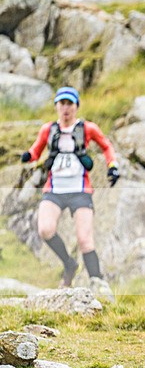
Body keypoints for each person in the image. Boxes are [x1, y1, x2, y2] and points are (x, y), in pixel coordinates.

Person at [21, 86, 120, 300]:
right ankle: (69, 264)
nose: (65, 108)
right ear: (56, 106)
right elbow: (36, 151)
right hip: (54, 189)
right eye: (62, 104)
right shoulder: (48, 129)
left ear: (76, 107)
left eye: (70, 104)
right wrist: (27, 156)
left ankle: (98, 282)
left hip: (80, 190)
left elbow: (106, 146)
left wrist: (112, 165)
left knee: (85, 239)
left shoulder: (88, 128)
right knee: (45, 229)